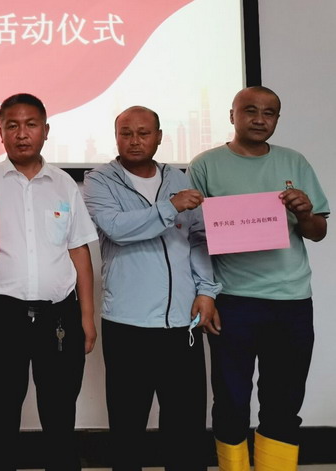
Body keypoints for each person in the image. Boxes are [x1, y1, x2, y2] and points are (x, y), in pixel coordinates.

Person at [188, 86, 328, 471]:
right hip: (232, 301)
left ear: (277, 119)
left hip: (291, 301)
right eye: (250, 110)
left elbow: (318, 232)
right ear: (232, 115)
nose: (259, 119)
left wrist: (304, 213)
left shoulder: (294, 162)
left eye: (269, 113)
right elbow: (194, 236)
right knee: (231, 400)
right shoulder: (205, 165)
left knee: (284, 400)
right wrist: (206, 294)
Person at [0, 93, 98, 471]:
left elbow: (79, 251)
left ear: (45, 131)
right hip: (0, 316)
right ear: (0, 132)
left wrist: (86, 317)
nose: (22, 134)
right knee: (1, 414)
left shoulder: (65, 185)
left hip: (59, 317)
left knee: (60, 413)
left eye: (31, 125)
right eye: (13, 126)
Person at [83, 106, 221, 471]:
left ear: (159, 137)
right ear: (116, 137)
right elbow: (116, 228)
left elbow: (197, 238)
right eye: (126, 133)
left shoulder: (179, 177)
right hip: (128, 324)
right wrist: (170, 207)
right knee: (127, 428)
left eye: (143, 133)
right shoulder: (99, 181)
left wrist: (206, 291)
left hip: (181, 324)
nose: (134, 140)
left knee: (186, 430)